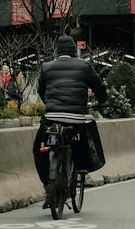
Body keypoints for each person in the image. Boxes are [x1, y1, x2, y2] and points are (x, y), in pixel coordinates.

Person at [33, 36, 108, 201]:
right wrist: (102, 101)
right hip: (75, 118)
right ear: (74, 51)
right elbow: (99, 87)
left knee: (38, 150)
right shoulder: (84, 66)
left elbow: (41, 90)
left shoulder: (46, 67)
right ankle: (79, 169)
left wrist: (51, 105)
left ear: (56, 51)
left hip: (52, 117)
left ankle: (48, 185)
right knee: (80, 144)